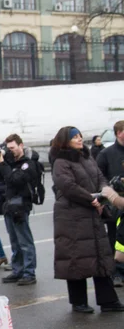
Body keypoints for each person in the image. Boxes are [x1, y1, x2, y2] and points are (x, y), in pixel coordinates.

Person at [50, 126, 124, 313]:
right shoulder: (61, 161)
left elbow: (100, 177)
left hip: (92, 213)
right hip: (71, 216)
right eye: (75, 137)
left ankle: (108, 301)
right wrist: (92, 199)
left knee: (101, 256)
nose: (79, 139)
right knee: (76, 258)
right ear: (65, 140)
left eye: (80, 136)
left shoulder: (87, 156)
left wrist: (102, 195)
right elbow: (67, 186)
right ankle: (78, 302)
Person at [0, 134, 39, 285]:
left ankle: (29, 273)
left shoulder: (28, 163)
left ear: (21, 145)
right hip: (8, 206)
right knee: (14, 241)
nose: (10, 151)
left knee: (24, 241)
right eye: (8, 148)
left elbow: (16, 180)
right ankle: (18, 270)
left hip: (21, 207)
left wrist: (4, 164)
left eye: (12, 148)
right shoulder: (9, 162)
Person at [96, 121, 124, 253]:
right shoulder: (105, 154)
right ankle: (115, 270)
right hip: (115, 205)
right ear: (118, 133)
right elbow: (98, 179)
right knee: (115, 239)